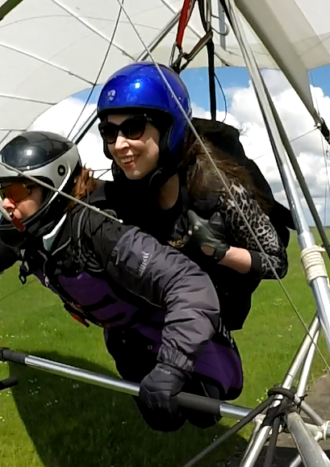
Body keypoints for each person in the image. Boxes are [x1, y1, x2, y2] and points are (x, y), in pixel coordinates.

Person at [0, 130, 242, 432]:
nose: (6, 204)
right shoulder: (25, 229)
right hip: (127, 340)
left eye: (15, 192)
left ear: (53, 185)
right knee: (162, 419)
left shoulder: (101, 229)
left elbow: (190, 285)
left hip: (170, 326)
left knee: (202, 412)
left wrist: (172, 367)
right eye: (3, 193)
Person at [92, 62, 294, 331]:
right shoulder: (126, 180)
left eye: (133, 128)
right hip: (159, 313)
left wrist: (220, 252)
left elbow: (277, 262)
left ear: (168, 129)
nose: (119, 145)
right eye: (109, 131)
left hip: (210, 318)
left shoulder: (219, 189)